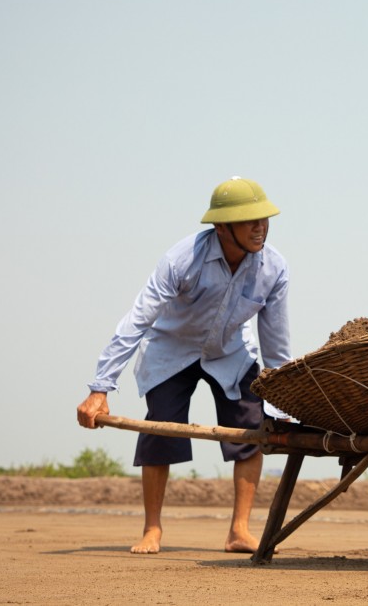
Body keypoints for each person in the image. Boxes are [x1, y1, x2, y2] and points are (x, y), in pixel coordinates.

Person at [76, 176, 291, 555]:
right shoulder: (182, 260)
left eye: (264, 219)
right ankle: (152, 529)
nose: (260, 229)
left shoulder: (273, 268)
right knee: (161, 428)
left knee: (252, 427)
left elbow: (275, 344)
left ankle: (239, 530)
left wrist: (282, 404)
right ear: (222, 227)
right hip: (172, 348)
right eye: (249, 221)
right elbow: (138, 320)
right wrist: (100, 387)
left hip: (230, 351)